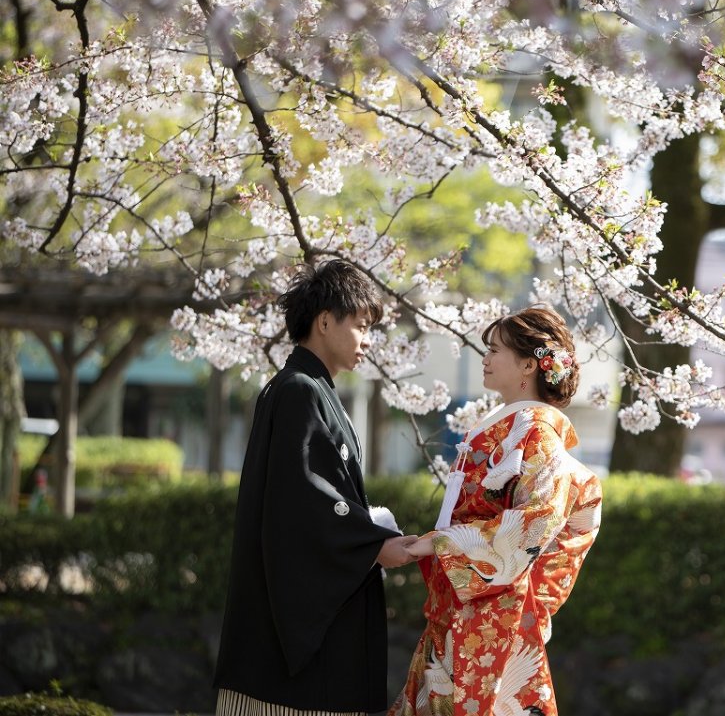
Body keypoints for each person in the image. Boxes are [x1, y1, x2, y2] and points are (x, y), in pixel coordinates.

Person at [213, 259, 417, 716]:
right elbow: (302, 496)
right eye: (361, 325)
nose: (368, 339)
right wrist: (372, 545)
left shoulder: (302, 386)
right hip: (295, 653)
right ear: (325, 321)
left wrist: (371, 539)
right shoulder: (300, 390)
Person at [390, 305, 603, 716]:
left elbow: (540, 517)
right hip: (471, 600)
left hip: (494, 609)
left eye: (495, 350)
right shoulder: (508, 425)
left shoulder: (536, 430)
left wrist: (443, 542)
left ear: (528, 364)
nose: (485, 359)